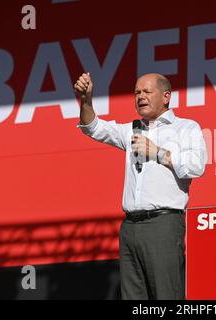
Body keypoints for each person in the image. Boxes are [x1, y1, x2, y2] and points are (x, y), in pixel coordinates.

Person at [74, 72, 207, 300]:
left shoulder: (186, 128)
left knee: (167, 296)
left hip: (163, 224)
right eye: (137, 93)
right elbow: (93, 127)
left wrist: (158, 153)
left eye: (146, 92)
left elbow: (196, 166)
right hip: (130, 226)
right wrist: (86, 100)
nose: (140, 97)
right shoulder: (132, 129)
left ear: (166, 97)